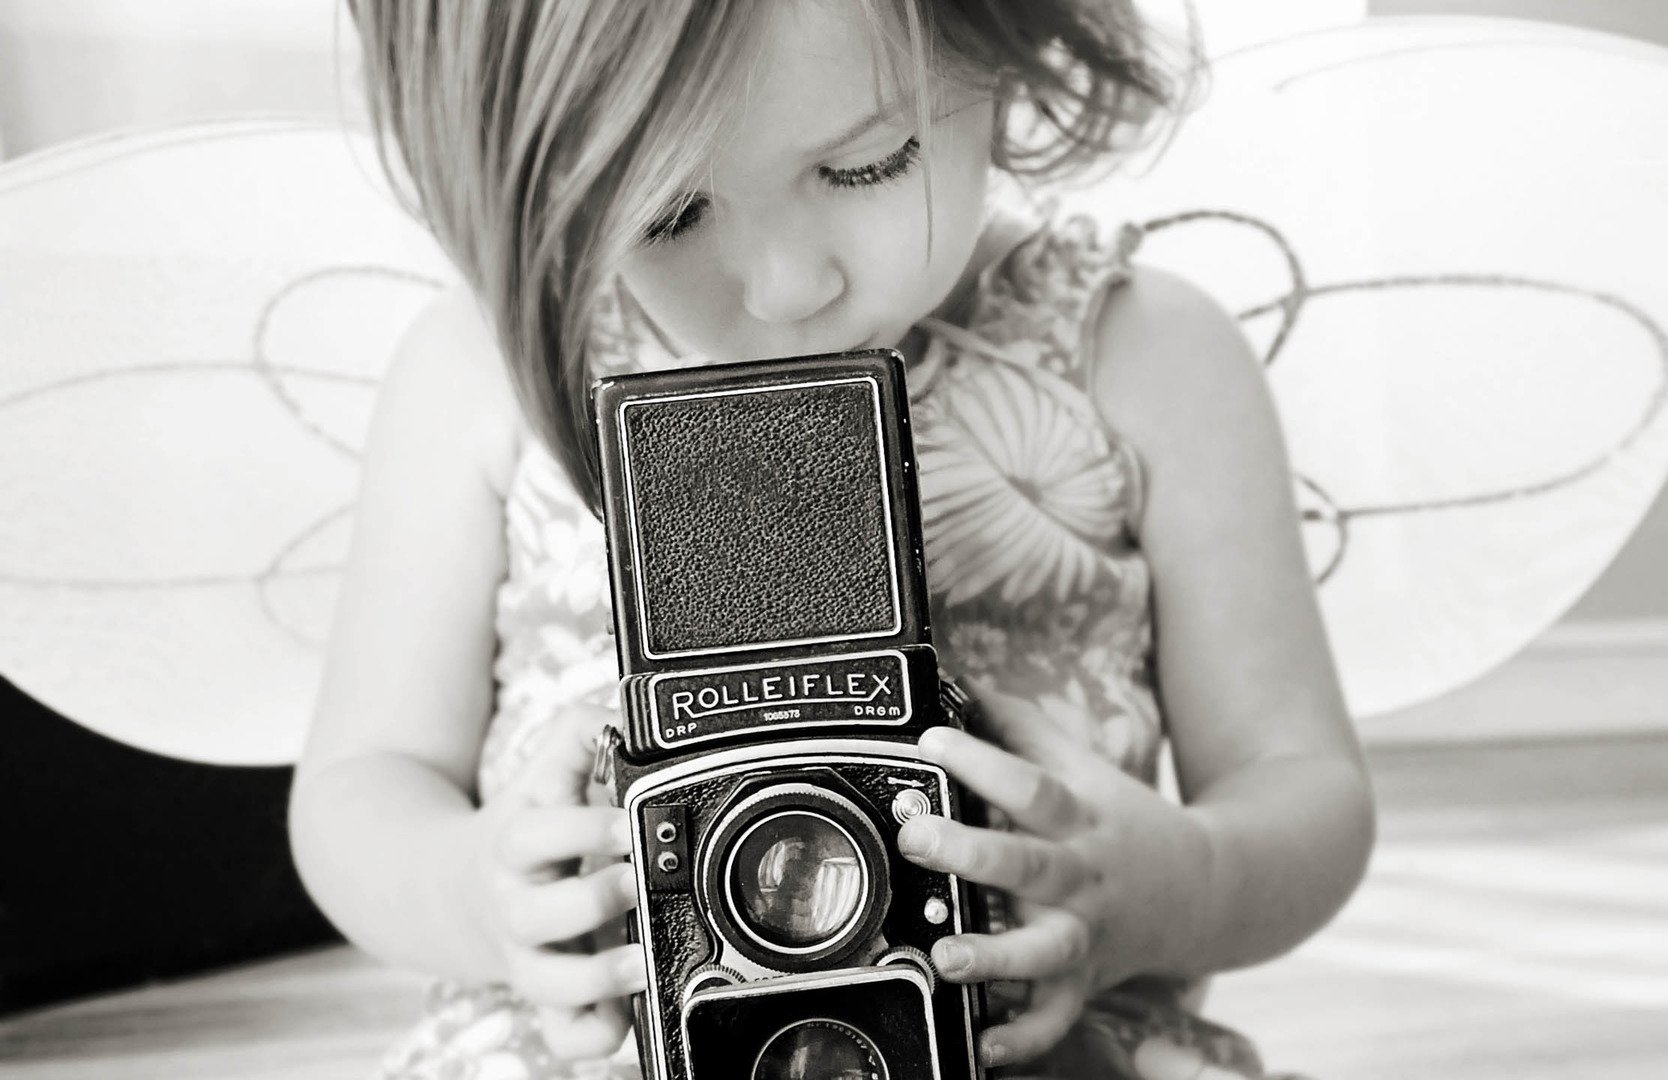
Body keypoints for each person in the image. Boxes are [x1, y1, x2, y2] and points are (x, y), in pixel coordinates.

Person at [290, 1, 1375, 1077]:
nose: (787, 284)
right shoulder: (477, 379)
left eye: (866, 165)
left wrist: (1173, 885)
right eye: (666, 214)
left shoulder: (1141, 357)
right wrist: (482, 896)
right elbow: (362, 784)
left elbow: (1302, 789)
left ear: (1005, 43)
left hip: (1050, 1043)